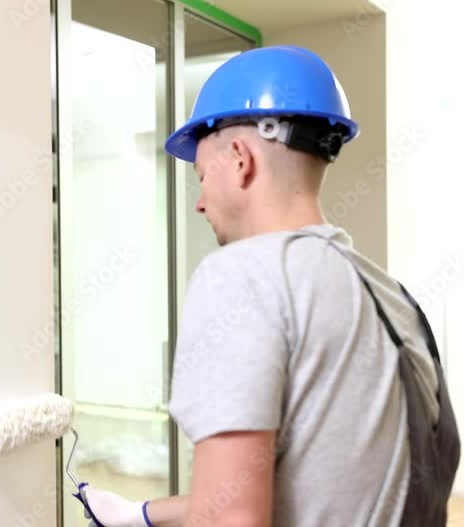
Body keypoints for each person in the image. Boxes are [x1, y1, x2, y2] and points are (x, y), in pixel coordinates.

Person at [75, 45, 461, 526]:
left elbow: (231, 519)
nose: (199, 203)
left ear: (241, 159)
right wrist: (138, 514)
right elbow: (325, 483)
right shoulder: (390, 297)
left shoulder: (242, 275)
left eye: (202, 177)